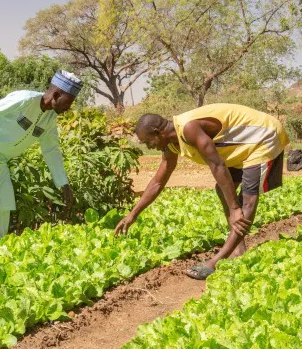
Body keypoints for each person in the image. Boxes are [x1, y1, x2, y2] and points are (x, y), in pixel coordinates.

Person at [114, 103, 289, 280]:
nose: (149, 147)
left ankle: (215, 262)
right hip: (242, 146)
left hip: (263, 136)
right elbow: (158, 182)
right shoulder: (170, 144)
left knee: (247, 201)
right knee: (223, 190)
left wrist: (235, 209)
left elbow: (217, 165)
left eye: (148, 141)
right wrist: (133, 214)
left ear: (158, 132)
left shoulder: (189, 128)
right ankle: (239, 249)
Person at [0, 70, 82, 245]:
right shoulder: (25, 99)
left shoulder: (49, 119)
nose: (68, 108)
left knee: (4, 200)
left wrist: (64, 184)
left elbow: (51, 151)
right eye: (68, 102)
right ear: (56, 94)